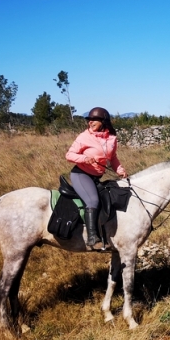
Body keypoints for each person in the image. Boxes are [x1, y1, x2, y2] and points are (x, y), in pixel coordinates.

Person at [65, 107, 128, 249]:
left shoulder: (112, 139)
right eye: (89, 120)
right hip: (81, 175)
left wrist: (120, 170)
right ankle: (92, 238)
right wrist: (84, 158)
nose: (90, 122)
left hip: (96, 177)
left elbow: (113, 158)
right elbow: (69, 155)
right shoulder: (84, 137)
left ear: (103, 121)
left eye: (94, 120)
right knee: (93, 201)